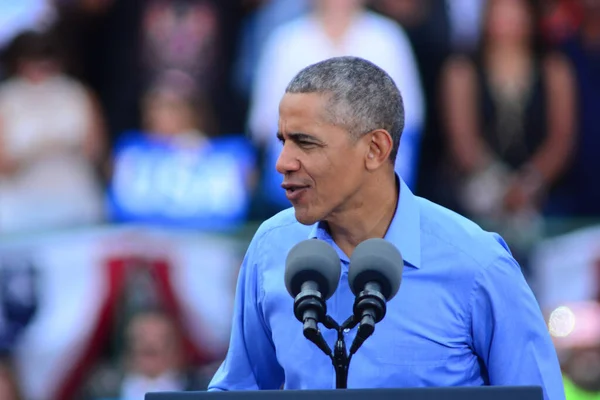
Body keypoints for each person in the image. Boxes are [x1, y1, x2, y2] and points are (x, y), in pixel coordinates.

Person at [208, 56, 564, 399]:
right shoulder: (270, 248)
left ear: (375, 149)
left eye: (305, 142)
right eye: (282, 141)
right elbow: (240, 389)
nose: (283, 162)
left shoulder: (478, 264)